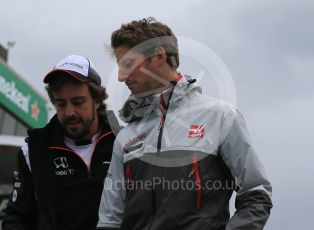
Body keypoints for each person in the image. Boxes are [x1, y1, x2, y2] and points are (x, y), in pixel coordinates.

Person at [97, 18, 273, 230]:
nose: (120, 77)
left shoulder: (221, 116)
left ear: (159, 57)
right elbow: (109, 221)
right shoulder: (126, 136)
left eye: (127, 64)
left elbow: (256, 194)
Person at [2, 55, 120, 230]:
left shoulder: (123, 142)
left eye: (77, 102)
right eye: (61, 104)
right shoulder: (33, 151)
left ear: (96, 101)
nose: (69, 112)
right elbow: (17, 216)